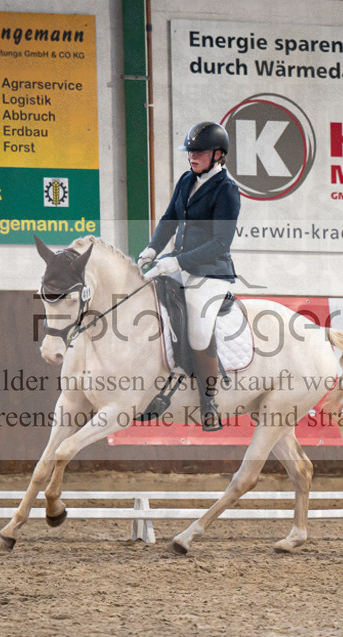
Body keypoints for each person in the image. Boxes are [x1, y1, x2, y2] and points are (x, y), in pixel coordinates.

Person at [138, 121, 240, 431]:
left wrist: (178, 262)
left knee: (198, 325)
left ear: (218, 154)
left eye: (199, 152)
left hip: (211, 272)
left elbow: (221, 243)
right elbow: (170, 218)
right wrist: (152, 249)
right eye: (190, 151)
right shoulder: (187, 179)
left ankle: (209, 400)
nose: (192, 157)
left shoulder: (227, 190)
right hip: (178, 264)